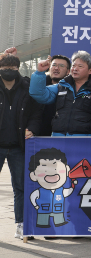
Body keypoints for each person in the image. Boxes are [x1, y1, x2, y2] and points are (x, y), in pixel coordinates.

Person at [0, 49, 42, 239]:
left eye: (13, 67)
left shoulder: (27, 86)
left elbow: (36, 113)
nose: (9, 70)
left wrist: (32, 127)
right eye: (5, 67)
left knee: (21, 187)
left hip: (18, 146)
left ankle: (21, 224)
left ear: (18, 68)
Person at [29, 51, 91, 136]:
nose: (75, 69)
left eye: (80, 66)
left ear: (90, 71)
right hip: (58, 140)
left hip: (85, 142)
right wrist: (39, 72)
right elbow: (39, 94)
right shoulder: (61, 87)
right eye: (73, 65)